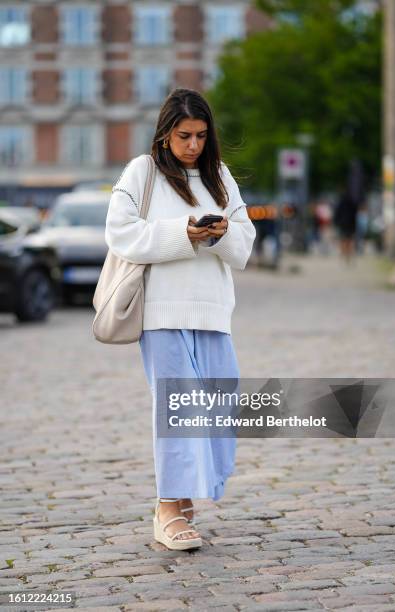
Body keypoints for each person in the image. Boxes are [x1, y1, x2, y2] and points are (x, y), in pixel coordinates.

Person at [104, 88, 256, 550]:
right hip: (161, 310)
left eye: (201, 136)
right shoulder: (142, 172)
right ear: (166, 133)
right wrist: (183, 233)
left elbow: (245, 245)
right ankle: (168, 508)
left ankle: (185, 499)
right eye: (185, 135)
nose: (193, 145)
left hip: (213, 311)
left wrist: (220, 233)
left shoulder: (220, 177)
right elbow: (120, 233)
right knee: (177, 408)